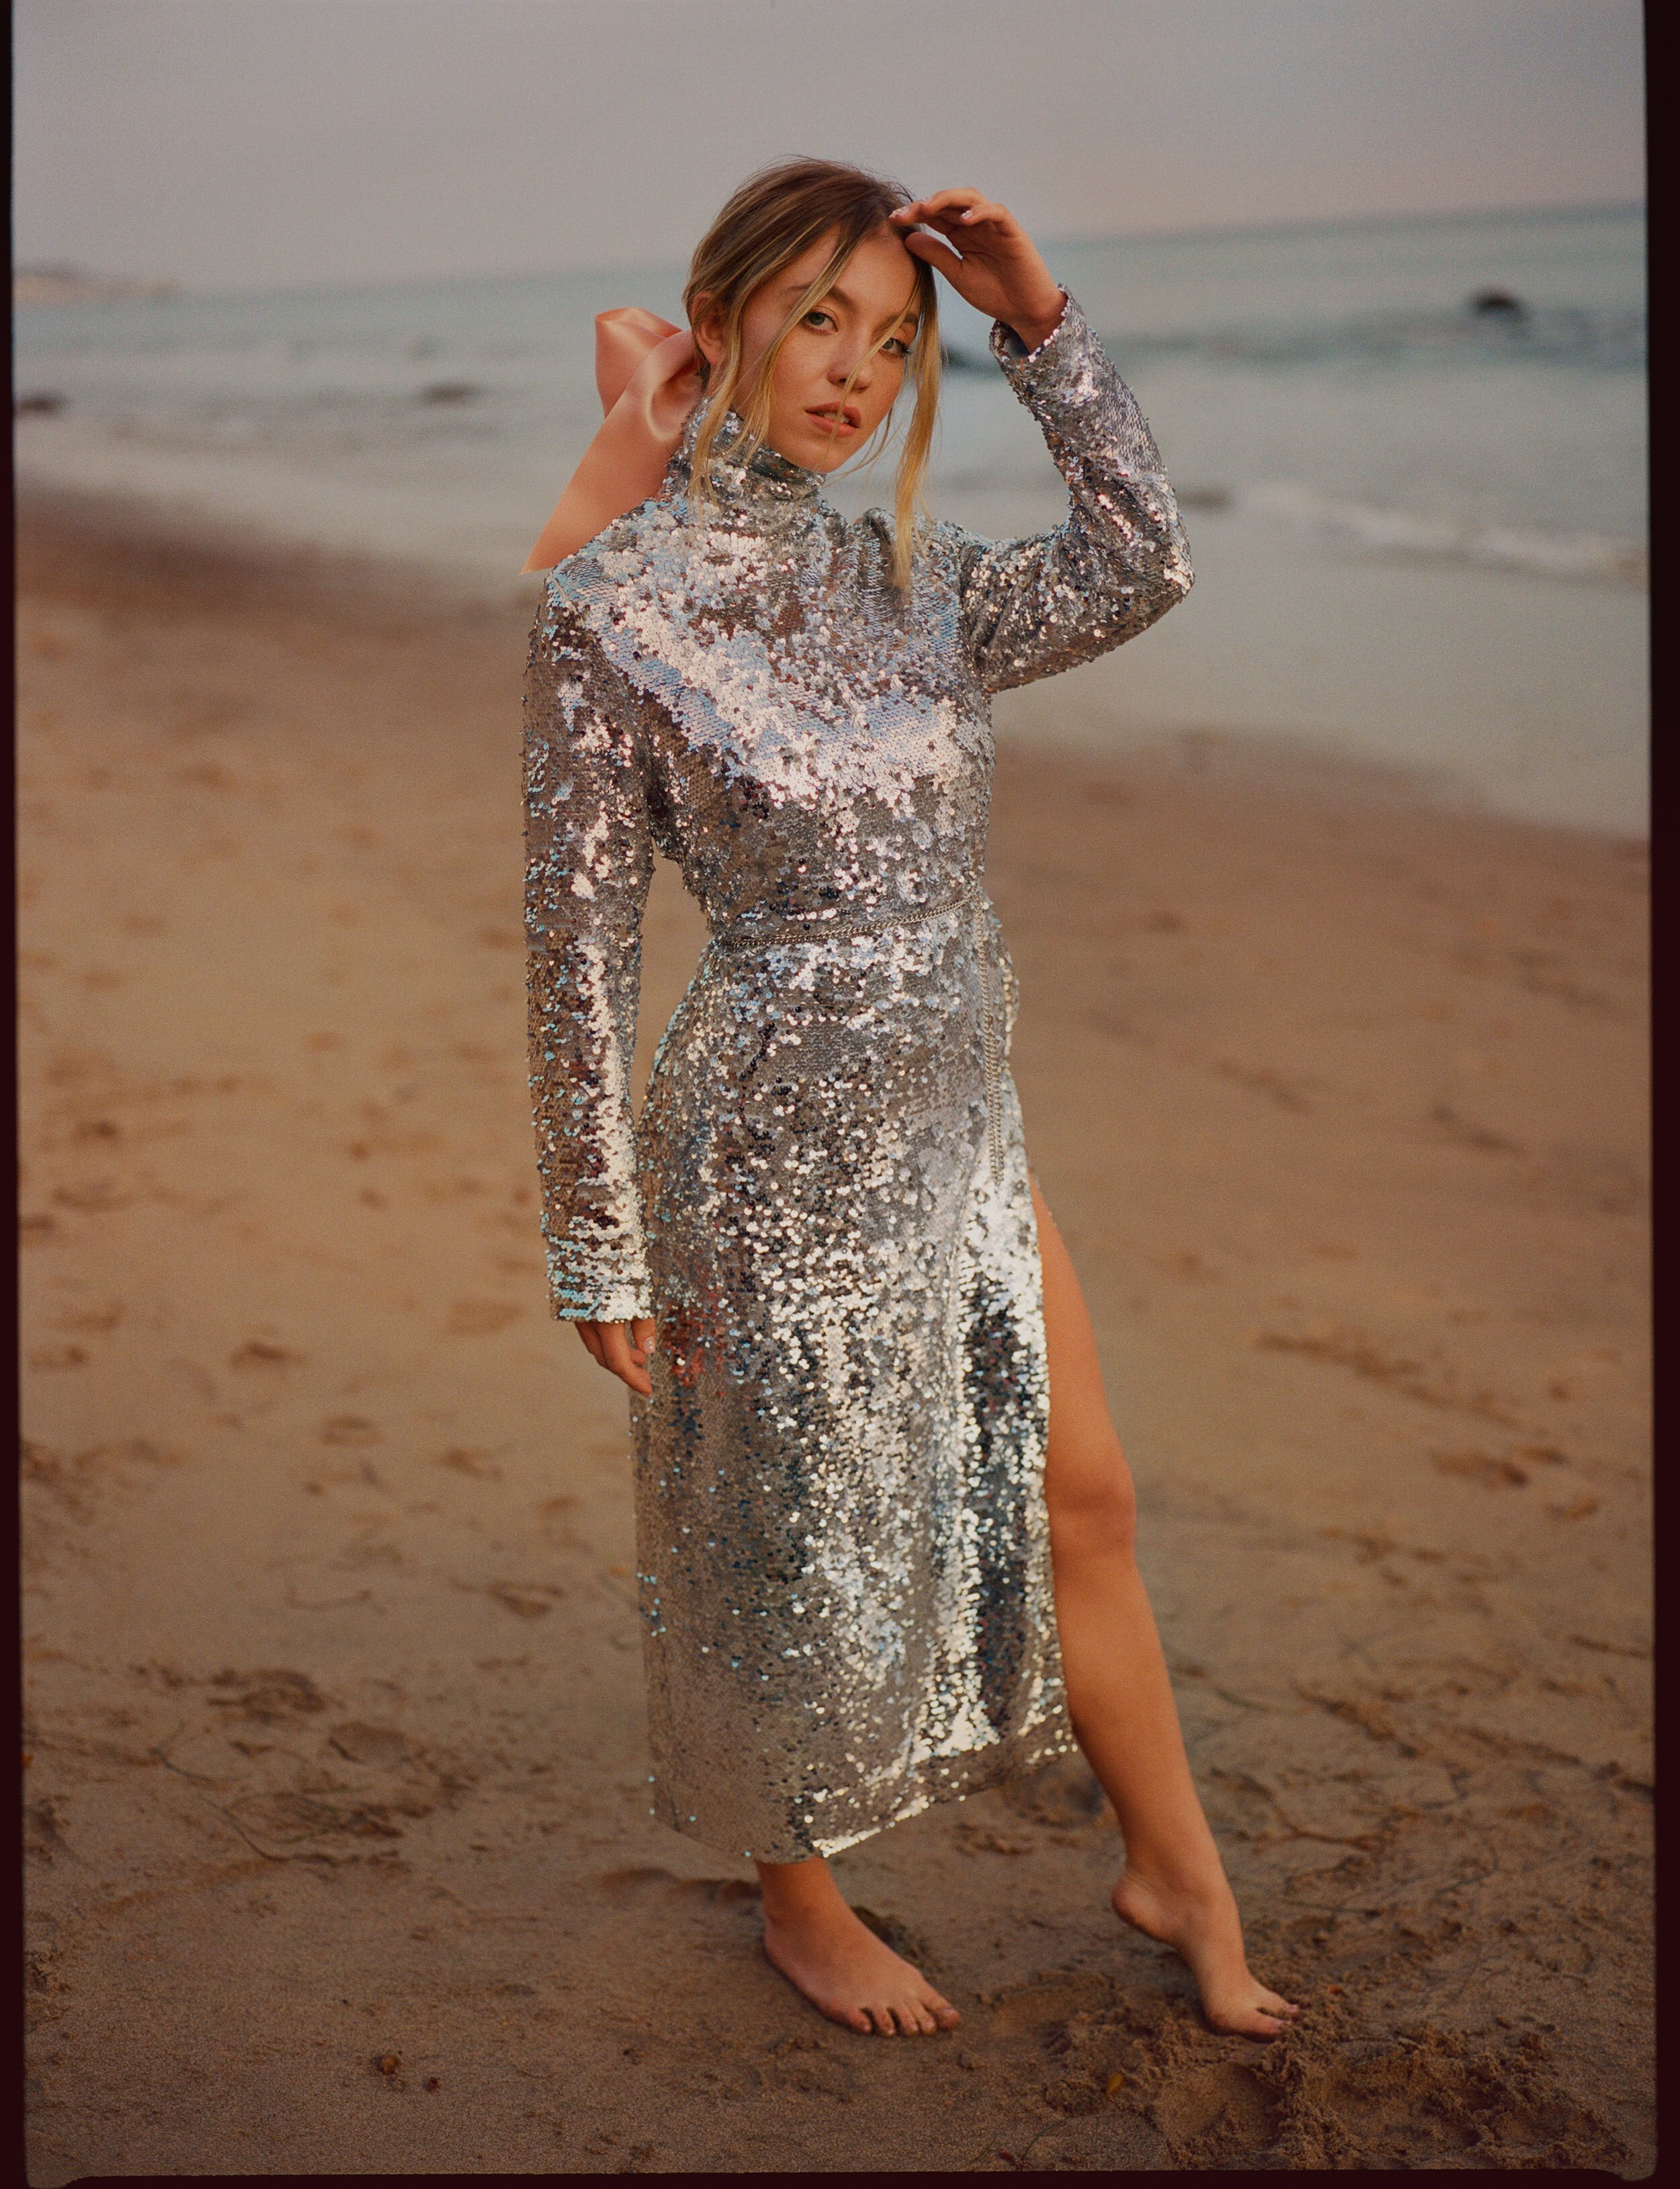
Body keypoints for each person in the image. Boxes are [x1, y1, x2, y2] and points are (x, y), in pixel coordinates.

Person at [523, 157, 1298, 2040]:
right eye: (816, 321)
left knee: (1086, 1494)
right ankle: (797, 1894)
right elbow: (573, 945)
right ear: (724, 331)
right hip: (762, 1145)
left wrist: (1038, 324)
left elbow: (1141, 561)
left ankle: (1171, 1865)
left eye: (894, 338)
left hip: (961, 1127)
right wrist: (591, 1237)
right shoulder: (603, 617)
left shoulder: (923, 585)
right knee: (773, 1536)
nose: (858, 371)